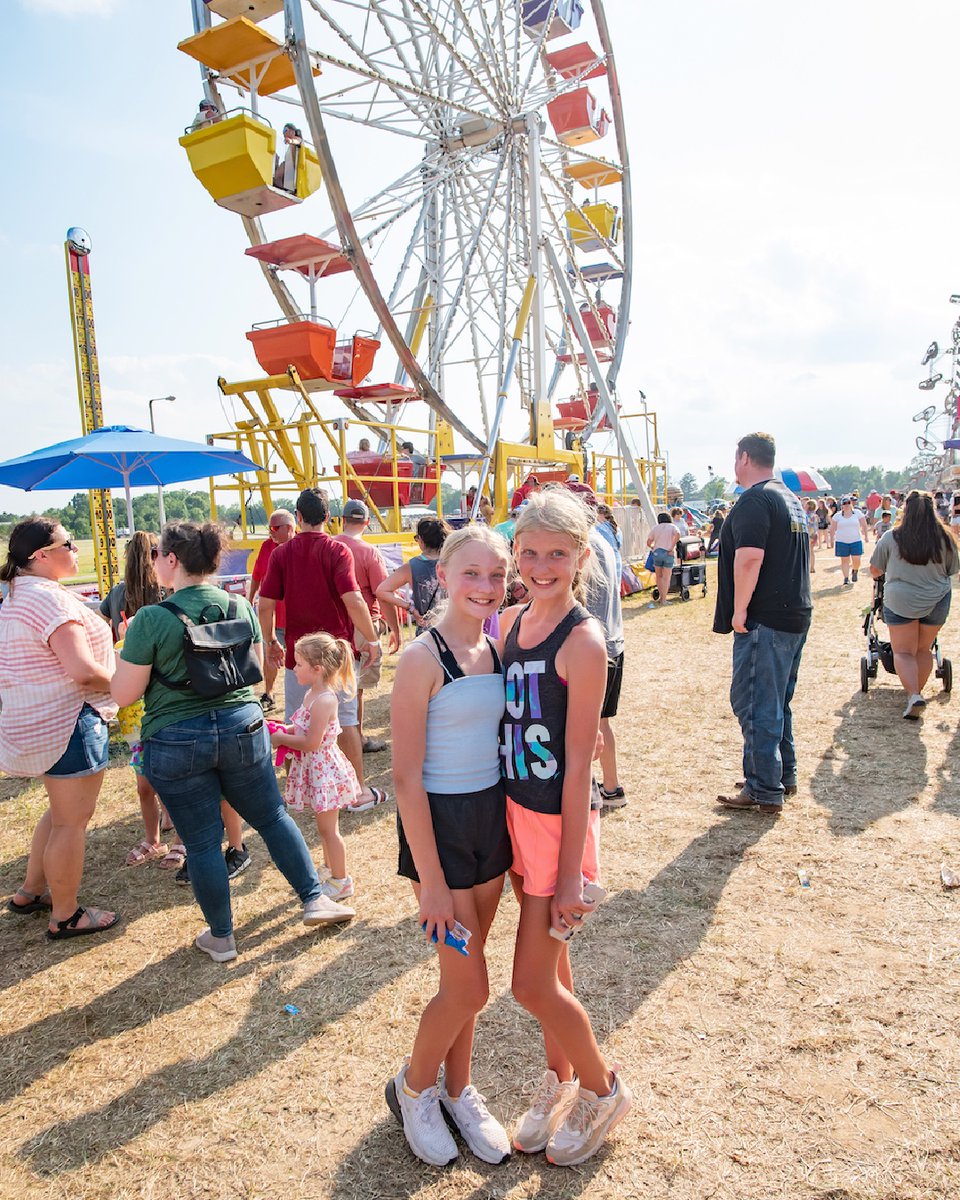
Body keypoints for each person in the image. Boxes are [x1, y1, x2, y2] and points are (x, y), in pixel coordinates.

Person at [112, 520, 353, 964]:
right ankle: (314, 898)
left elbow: (123, 694)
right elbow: (256, 668)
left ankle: (222, 937)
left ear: (171, 560)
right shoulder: (239, 605)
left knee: (202, 842)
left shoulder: (150, 619)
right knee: (272, 817)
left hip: (177, 737)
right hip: (243, 727)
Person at [500, 490, 633, 1167]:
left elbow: (580, 764)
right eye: (530, 552)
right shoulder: (510, 624)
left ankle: (603, 1089)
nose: (542, 564)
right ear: (514, 553)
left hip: (560, 826)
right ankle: (560, 1079)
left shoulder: (582, 641)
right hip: (518, 819)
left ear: (582, 556)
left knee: (528, 982)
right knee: (553, 969)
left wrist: (576, 872)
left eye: (558, 553)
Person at [385, 526, 512, 1168]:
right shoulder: (420, 658)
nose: (485, 587)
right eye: (472, 573)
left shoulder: (496, 649)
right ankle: (413, 1089)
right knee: (468, 986)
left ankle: (460, 1090)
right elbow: (405, 776)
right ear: (445, 572)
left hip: (490, 823)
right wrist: (430, 882)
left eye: (496, 575)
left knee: (469, 969)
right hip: (437, 827)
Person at [0, 518, 120, 940]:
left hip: (36, 721)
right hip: (68, 719)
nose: (74, 548)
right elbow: (84, 673)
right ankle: (65, 914)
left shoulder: (18, 594)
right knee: (72, 822)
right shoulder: (49, 601)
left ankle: (32, 890)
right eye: (67, 543)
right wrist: (128, 681)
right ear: (41, 556)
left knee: (60, 813)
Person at [259, 488, 387, 812]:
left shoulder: (281, 554)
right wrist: (371, 639)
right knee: (346, 723)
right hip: (336, 654)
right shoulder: (337, 551)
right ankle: (356, 792)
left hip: (297, 655)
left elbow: (265, 604)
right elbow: (354, 600)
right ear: (328, 518)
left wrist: (269, 640)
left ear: (298, 517)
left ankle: (298, 793)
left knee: (296, 721)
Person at [714, 433, 811, 814]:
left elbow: (750, 557)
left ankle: (763, 787)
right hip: (792, 614)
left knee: (754, 703)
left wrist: (740, 610)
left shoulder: (756, 498)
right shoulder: (789, 498)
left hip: (765, 619)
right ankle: (777, 774)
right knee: (776, 702)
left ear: (744, 457)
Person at [271, 634, 361, 901]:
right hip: (316, 769)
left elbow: (311, 742)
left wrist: (281, 739)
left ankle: (342, 880)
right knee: (323, 828)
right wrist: (281, 728)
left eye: (299, 664)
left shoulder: (324, 700)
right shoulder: (312, 694)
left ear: (317, 669)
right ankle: (329, 868)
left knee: (329, 830)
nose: (294, 668)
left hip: (325, 772)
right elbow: (303, 729)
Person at [869, 490, 959, 719]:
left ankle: (914, 694)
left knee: (903, 651)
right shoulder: (945, 538)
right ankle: (915, 693)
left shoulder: (891, 537)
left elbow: (875, 569)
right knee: (923, 649)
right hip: (936, 599)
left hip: (901, 600)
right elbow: (952, 570)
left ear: (905, 510)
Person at [333, 499, 401, 753]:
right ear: (367, 523)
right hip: (362, 624)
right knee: (355, 688)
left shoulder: (330, 545)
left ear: (341, 520)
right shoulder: (369, 552)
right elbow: (382, 593)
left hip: (331, 623)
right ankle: (356, 738)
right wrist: (395, 628)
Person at [584, 509, 626, 808]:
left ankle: (590, 791)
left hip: (594, 646)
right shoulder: (603, 537)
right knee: (601, 722)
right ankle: (612, 787)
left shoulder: (584, 543)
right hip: (613, 642)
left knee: (585, 725)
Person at [248, 508, 296, 712]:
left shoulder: (301, 546)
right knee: (271, 656)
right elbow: (257, 575)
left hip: (296, 615)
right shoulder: (266, 547)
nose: (271, 532)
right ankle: (269, 693)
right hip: (273, 616)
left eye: (276, 528)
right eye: (270, 528)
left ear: (290, 528)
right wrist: (249, 599)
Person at [377, 516, 450, 633]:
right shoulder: (454, 561)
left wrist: (410, 608)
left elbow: (382, 591)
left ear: (421, 540)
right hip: (455, 629)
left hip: (427, 631)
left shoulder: (412, 566)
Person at [831, 496, 869, 585]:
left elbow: (864, 524)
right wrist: (831, 540)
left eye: (848, 503)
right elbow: (832, 528)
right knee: (845, 560)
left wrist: (866, 535)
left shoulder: (857, 513)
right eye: (845, 503)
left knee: (856, 559)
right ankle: (846, 578)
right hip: (841, 541)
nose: (847, 505)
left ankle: (855, 571)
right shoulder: (837, 516)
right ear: (842, 505)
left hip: (856, 540)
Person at [646, 513, 680, 606]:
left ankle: (661, 597)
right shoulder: (672, 527)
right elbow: (678, 534)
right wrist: (671, 546)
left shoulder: (655, 528)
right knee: (666, 577)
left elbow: (649, 542)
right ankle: (664, 599)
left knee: (659, 576)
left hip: (657, 552)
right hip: (668, 553)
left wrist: (653, 547)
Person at [594, 504, 623, 576]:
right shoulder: (617, 528)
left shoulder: (599, 528)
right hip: (617, 559)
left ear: (601, 514)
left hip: (606, 560)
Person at [273, 123, 302, 192]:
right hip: (288, 168)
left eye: (285, 130)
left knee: (280, 170)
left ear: (292, 131)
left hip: (292, 167)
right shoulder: (289, 145)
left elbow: (298, 141)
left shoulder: (296, 139)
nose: (283, 133)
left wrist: (291, 140)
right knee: (275, 157)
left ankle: (279, 187)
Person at [804, 499, 818, 574]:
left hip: (808, 534)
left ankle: (809, 566)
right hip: (814, 534)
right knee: (812, 551)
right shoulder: (815, 515)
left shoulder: (806, 515)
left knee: (807, 551)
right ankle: (812, 567)